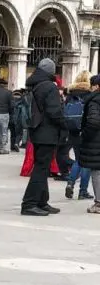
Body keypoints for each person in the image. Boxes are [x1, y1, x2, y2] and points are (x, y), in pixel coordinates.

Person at [20, 58, 64, 216]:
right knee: (40, 169)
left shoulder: (34, 85)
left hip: (37, 132)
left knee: (42, 168)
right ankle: (29, 204)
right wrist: (63, 123)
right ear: (51, 71)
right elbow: (54, 111)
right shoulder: (49, 87)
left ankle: (42, 201)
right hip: (47, 133)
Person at [63, 71, 92, 201]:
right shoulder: (90, 95)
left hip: (73, 131)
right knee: (87, 162)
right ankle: (83, 191)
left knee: (78, 159)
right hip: (85, 131)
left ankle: (70, 182)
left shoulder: (70, 94)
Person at [78, 73, 100, 214]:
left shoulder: (95, 101)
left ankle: (98, 203)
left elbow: (93, 121)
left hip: (96, 141)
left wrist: (84, 134)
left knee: (97, 172)